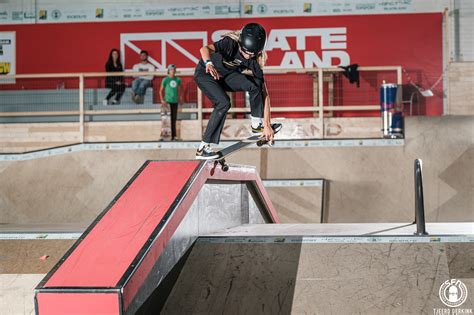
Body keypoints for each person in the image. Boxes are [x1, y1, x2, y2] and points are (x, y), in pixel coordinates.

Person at [193, 23, 281, 159]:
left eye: (251, 54)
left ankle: (257, 124)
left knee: (255, 84)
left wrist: (267, 125)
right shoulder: (230, 43)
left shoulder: (255, 61)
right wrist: (208, 63)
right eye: (244, 52)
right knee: (223, 103)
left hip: (226, 78)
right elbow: (204, 49)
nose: (246, 56)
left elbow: (264, 94)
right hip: (206, 75)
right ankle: (203, 147)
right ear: (240, 43)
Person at [160, 64, 183, 141]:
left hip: (175, 101)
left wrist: (180, 97)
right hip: (167, 102)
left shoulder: (178, 80)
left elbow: (181, 89)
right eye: (171, 70)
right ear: (168, 71)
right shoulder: (165, 80)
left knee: (174, 119)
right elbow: (161, 91)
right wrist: (162, 100)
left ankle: (174, 136)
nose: (173, 71)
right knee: (165, 120)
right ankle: (163, 136)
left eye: (174, 69)